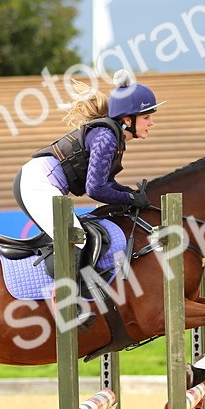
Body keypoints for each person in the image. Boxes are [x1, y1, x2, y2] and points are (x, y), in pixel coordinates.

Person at [15, 70, 163, 268]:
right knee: (77, 239)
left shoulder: (113, 137)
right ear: (127, 120)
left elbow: (107, 183)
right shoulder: (106, 138)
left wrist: (131, 193)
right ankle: (61, 294)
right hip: (35, 184)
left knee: (83, 238)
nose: (151, 123)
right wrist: (130, 199)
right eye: (146, 117)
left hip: (41, 183)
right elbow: (95, 189)